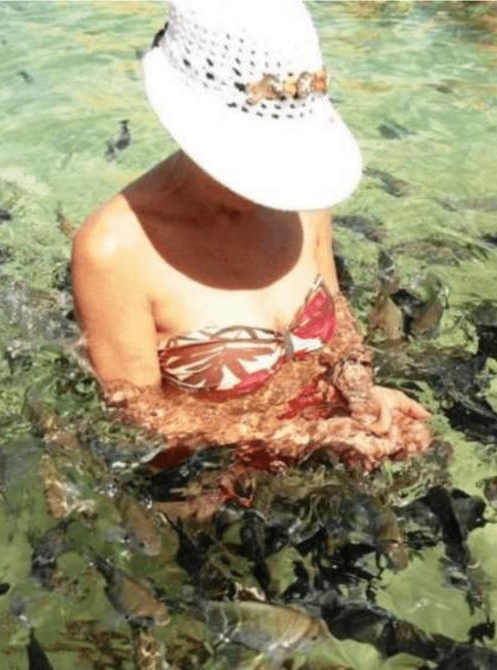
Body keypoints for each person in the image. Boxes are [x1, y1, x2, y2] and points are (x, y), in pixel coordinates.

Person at [71, 0, 432, 472]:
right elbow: (138, 421)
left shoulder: (305, 191)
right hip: (204, 483)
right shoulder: (115, 249)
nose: (278, 172)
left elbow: (338, 324)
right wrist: (306, 436)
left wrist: (363, 400)